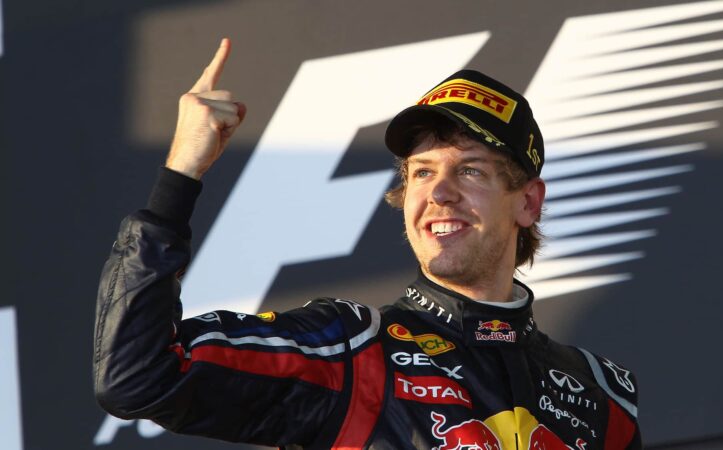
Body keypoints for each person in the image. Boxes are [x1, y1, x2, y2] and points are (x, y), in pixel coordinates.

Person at [94, 38, 641, 449]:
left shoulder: (602, 395)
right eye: (422, 173)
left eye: (470, 170)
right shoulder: (349, 351)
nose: (439, 193)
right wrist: (181, 173)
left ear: (527, 202)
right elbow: (137, 377)